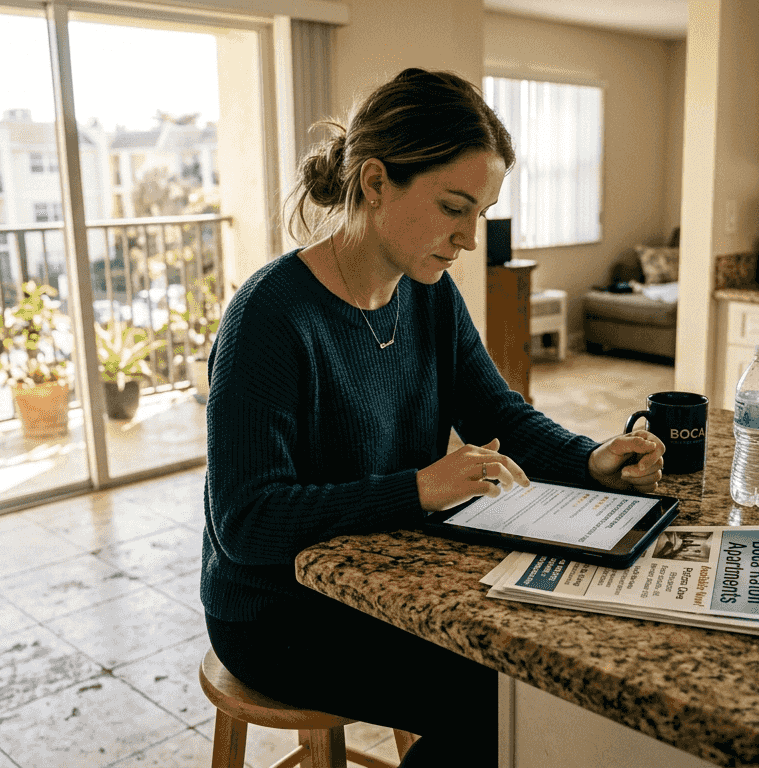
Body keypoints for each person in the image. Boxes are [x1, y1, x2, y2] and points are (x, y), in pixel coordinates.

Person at [200, 67, 666, 767]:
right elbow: (246, 523)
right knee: (499, 703)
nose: (471, 238)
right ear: (376, 182)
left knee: (542, 677)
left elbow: (497, 410)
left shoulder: (428, 293)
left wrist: (588, 458)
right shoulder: (269, 317)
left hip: (383, 580)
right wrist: (417, 489)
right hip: (277, 610)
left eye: (481, 212)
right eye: (455, 207)